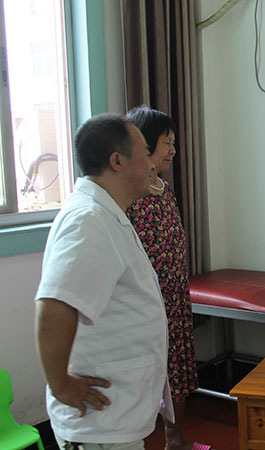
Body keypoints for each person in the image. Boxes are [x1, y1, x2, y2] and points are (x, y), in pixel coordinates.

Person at [35, 114, 173, 450]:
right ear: (117, 161)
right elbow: (54, 307)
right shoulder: (89, 220)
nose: (152, 164)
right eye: (146, 152)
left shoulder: (107, 214)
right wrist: (61, 385)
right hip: (99, 425)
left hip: (115, 416)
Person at [126, 106, 209, 450]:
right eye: (167, 142)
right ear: (144, 144)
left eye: (174, 142)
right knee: (145, 374)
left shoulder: (165, 189)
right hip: (146, 302)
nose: (173, 150)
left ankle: (176, 441)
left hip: (175, 298)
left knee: (177, 371)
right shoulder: (131, 196)